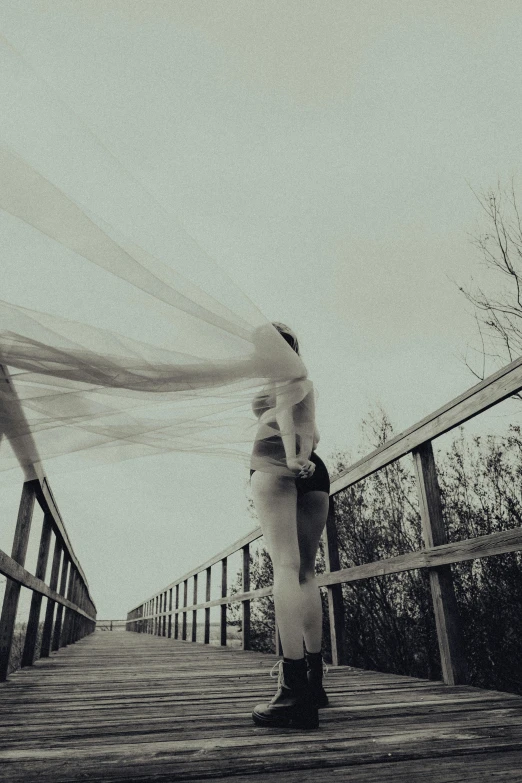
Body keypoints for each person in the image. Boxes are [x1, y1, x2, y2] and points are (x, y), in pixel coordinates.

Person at [249, 322, 330, 730]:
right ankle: (315, 682)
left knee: (284, 566)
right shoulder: (306, 380)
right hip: (317, 471)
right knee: (305, 571)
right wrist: (305, 456)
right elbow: (312, 430)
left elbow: (282, 415)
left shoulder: (281, 377)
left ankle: (293, 688)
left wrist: (289, 456)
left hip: (275, 465)